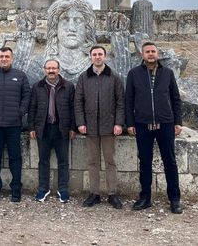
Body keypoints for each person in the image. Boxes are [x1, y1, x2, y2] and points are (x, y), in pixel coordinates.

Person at [125, 41, 184, 214]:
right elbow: (129, 100)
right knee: (145, 162)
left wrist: (178, 122)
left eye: (153, 51)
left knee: (170, 162)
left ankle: (174, 199)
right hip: (142, 124)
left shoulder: (168, 73)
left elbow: (176, 99)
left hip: (165, 123)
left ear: (157, 54)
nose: (150, 54)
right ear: (142, 55)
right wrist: (130, 123)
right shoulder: (134, 73)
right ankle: (145, 198)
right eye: (147, 52)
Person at [74, 45, 125, 209]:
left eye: (100, 54)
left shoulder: (114, 77)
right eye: (94, 54)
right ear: (90, 57)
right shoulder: (83, 77)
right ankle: (94, 193)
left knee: (110, 162)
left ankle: (112, 194)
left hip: (109, 127)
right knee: (92, 162)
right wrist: (80, 123)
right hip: (90, 128)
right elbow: (78, 102)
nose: (97, 57)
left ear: (105, 57)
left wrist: (118, 123)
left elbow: (120, 102)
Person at [0, 47, 31, 202]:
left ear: (12, 58)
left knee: (15, 156)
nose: (4, 59)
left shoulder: (20, 76)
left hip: (14, 124)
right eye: (1, 56)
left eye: (7, 56)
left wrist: (20, 112)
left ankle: (16, 187)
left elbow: (27, 96)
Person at [28, 59, 76, 203]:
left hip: (62, 129)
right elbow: (32, 108)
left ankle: (63, 190)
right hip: (43, 129)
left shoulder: (68, 86)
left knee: (63, 161)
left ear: (59, 70)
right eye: (48, 68)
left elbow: (73, 109)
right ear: (44, 70)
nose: (51, 71)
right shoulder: (37, 86)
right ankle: (43, 189)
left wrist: (73, 128)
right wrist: (31, 127)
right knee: (43, 161)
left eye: (54, 68)